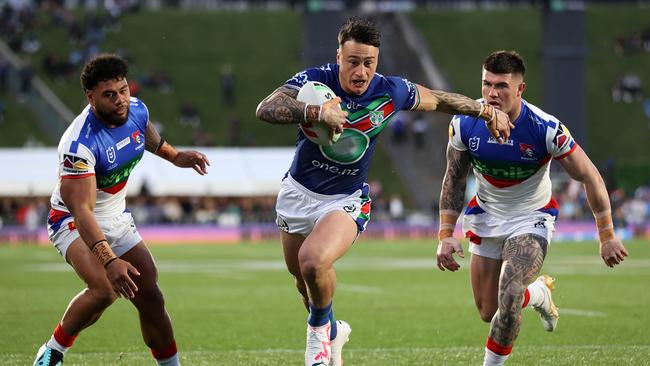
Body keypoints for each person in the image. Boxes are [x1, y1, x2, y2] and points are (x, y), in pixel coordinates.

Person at [255, 17, 513, 366]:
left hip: (346, 200)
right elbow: (266, 108)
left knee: (313, 262)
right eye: (353, 62)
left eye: (368, 63)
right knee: (305, 282)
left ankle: (316, 345)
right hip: (298, 194)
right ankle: (334, 333)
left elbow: (438, 99)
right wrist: (316, 111)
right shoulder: (316, 80)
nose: (360, 72)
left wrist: (484, 110)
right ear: (338, 57)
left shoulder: (389, 90)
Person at [435, 50, 629, 366]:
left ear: (520, 89)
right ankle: (537, 294)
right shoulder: (464, 124)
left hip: (531, 218)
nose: (491, 94)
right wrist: (445, 233)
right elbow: (454, 179)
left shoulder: (545, 129)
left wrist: (607, 234)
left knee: (509, 293)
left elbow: (589, 175)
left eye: (501, 86)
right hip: (486, 215)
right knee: (489, 311)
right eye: (486, 85)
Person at [33, 54, 210, 366]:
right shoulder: (78, 147)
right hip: (73, 221)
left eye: (124, 90)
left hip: (117, 218)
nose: (120, 100)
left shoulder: (136, 109)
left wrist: (175, 156)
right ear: (90, 97)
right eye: (109, 94)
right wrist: (110, 260)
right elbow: (83, 211)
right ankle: (51, 352)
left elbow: (147, 135)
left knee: (151, 297)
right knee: (104, 289)